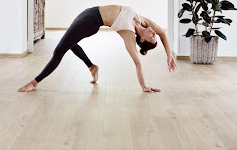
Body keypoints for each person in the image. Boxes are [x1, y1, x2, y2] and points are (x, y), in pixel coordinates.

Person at [18, 5, 177, 93]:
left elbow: (138, 64)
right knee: (69, 42)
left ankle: (34, 82)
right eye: (154, 35)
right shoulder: (143, 21)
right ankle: (91, 67)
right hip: (89, 12)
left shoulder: (128, 33)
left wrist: (144, 86)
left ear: (142, 40)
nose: (154, 32)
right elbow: (163, 33)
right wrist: (169, 55)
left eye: (152, 37)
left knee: (59, 51)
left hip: (90, 22)